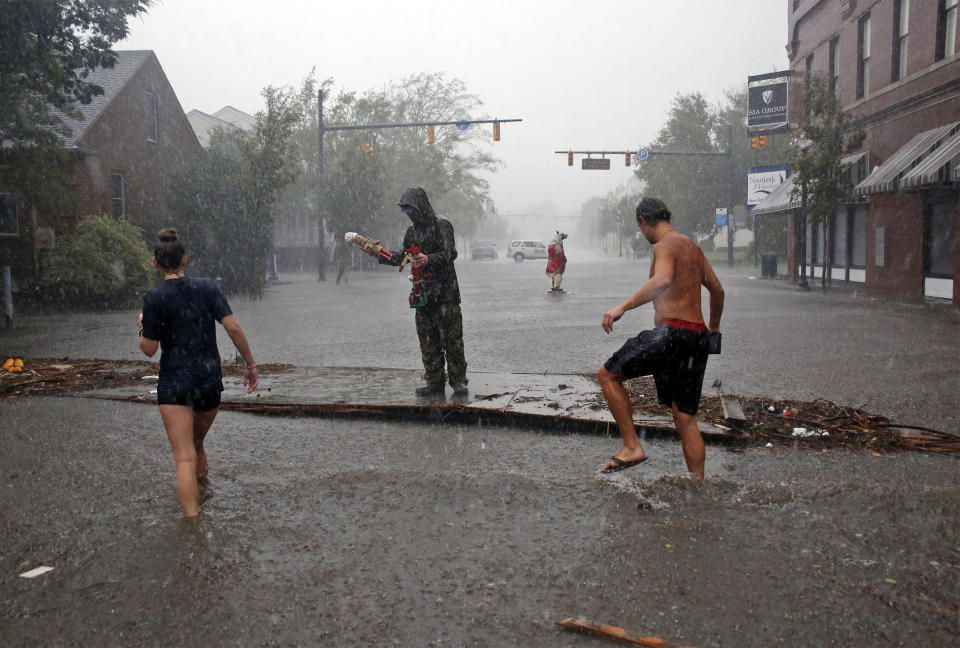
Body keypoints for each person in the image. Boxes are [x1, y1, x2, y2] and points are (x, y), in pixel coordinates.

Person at [597, 198, 724, 478]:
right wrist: (713, 329)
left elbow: (663, 280)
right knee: (685, 419)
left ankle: (631, 446)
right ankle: (697, 486)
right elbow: (717, 290)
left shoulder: (664, 245)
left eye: (639, 226)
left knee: (608, 376)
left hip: (671, 334)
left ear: (643, 221)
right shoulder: (692, 247)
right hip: (696, 338)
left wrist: (622, 307)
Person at [138, 228, 258, 517]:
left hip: (175, 383)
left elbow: (149, 349)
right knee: (197, 442)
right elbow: (232, 327)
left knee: (184, 458)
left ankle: (193, 526)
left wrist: (143, 325)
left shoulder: (154, 297)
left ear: (155, 263)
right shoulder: (208, 288)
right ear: (185, 259)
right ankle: (204, 490)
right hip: (208, 380)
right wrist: (250, 364)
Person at [379, 187, 468, 397]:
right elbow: (404, 255)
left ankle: (458, 381)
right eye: (405, 210)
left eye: (411, 208)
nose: (409, 213)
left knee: (452, 340)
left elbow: (450, 253)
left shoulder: (442, 224)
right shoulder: (411, 232)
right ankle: (434, 381)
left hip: (446, 294)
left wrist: (429, 259)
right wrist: (384, 256)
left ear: (421, 206)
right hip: (423, 295)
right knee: (428, 341)